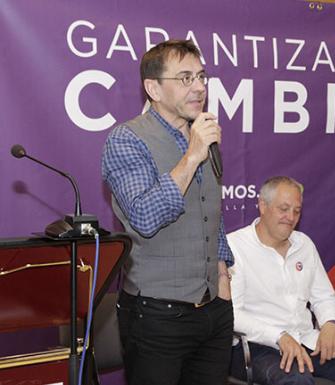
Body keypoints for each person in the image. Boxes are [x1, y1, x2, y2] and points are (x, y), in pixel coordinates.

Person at [101, 40, 234, 385]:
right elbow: (144, 217)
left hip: (213, 309)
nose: (200, 87)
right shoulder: (126, 140)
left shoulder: (202, 134)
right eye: (186, 78)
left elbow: (210, 211)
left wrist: (222, 276)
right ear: (153, 88)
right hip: (157, 314)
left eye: (202, 77)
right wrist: (192, 156)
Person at [227, 176, 335, 385]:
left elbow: (324, 296)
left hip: (306, 339)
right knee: (297, 380)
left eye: (296, 211)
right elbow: (233, 315)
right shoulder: (235, 247)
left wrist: (330, 324)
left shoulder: (303, 244)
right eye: (283, 209)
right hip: (255, 347)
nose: (291, 217)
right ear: (262, 206)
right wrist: (279, 336)